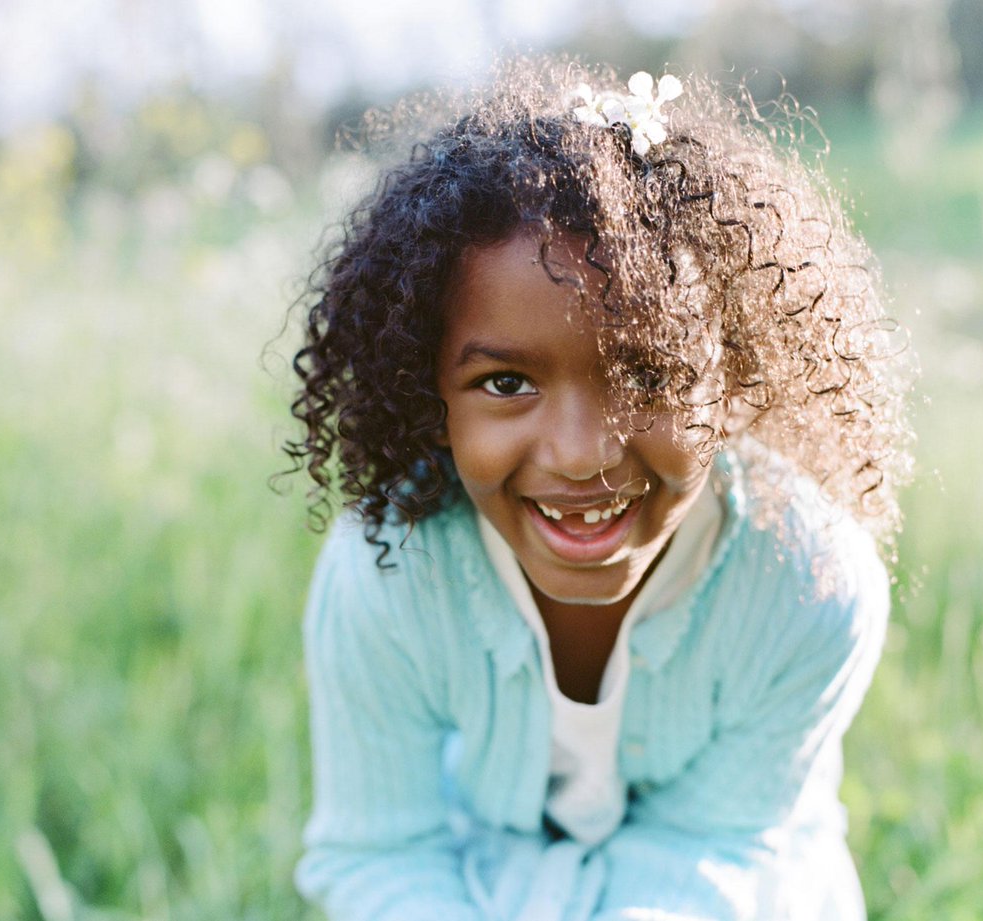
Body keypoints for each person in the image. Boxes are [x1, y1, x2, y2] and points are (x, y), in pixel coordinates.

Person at [284, 58, 914, 921]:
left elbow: (718, 850)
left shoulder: (806, 582)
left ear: (733, 381)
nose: (582, 455)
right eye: (506, 383)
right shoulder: (388, 573)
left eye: (646, 373)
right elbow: (382, 853)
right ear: (427, 391)